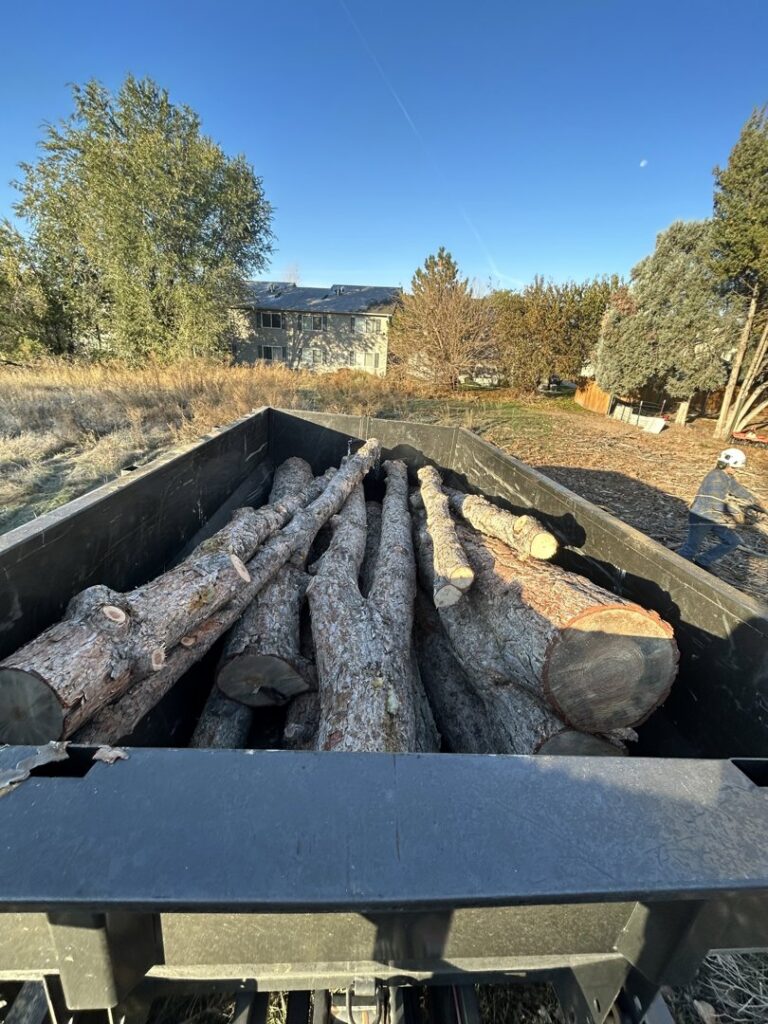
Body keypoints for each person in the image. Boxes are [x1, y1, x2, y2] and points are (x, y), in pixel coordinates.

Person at [678, 448, 765, 569]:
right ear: (728, 464)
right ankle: (675, 566)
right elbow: (716, 502)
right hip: (702, 517)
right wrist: (736, 514)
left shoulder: (726, 476)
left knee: (732, 541)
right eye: (735, 468)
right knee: (690, 549)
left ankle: (702, 561)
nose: (736, 470)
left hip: (713, 518)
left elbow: (737, 489)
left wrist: (756, 503)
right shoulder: (716, 478)